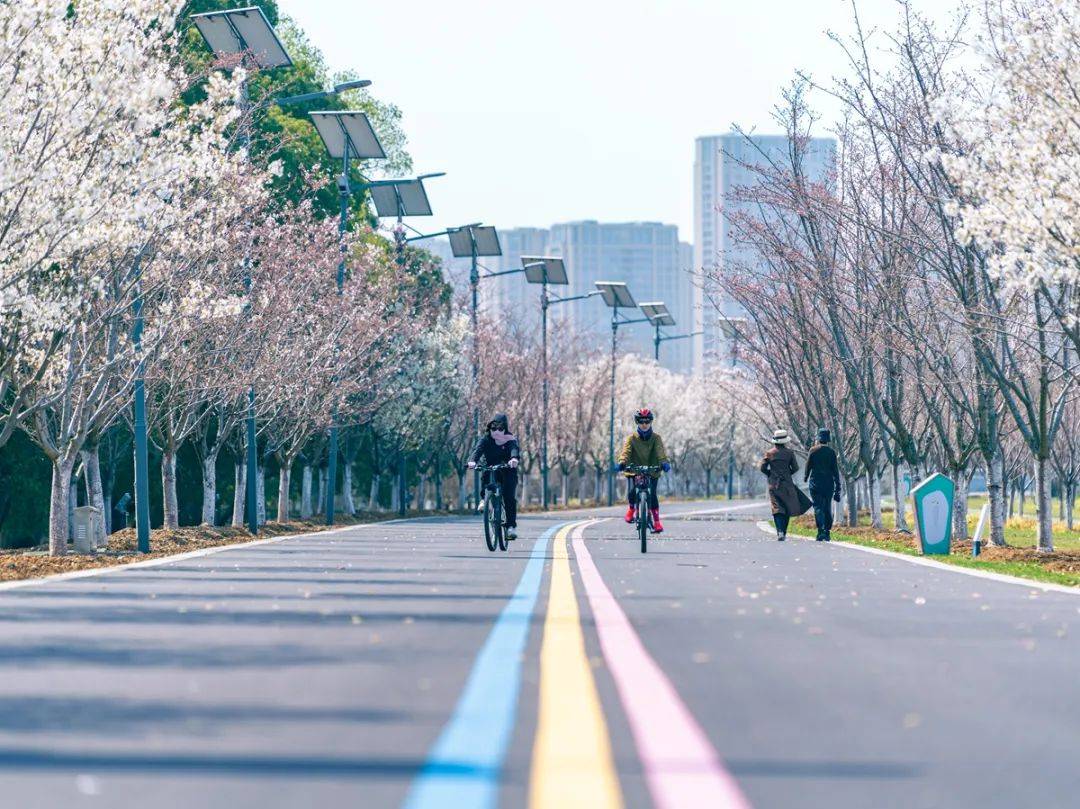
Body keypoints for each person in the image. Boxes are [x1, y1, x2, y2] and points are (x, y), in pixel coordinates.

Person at [616, 408, 671, 533]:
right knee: (631, 492)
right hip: (634, 469)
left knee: (652, 495)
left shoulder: (656, 438)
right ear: (637, 422)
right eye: (641, 421)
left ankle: (657, 522)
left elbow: (660, 451)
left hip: (652, 470)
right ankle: (631, 509)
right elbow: (626, 452)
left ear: (650, 422)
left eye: (647, 421)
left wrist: (664, 462)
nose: (644, 424)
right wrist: (622, 462)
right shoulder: (631, 438)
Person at [467, 414, 520, 539]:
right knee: (486, 472)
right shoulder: (485, 439)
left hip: (508, 469)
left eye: (500, 428)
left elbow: (514, 449)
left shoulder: (510, 439)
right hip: (491, 467)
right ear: (489, 428)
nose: (497, 431)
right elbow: (477, 450)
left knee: (509, 498)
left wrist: (513, 458)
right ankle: (484, 499)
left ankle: (510, 528)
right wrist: (472, 461)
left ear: (505, 428)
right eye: (494, 428)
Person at [759, 428, 811, 541]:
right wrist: (787, 474)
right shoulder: (789, 453)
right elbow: (795, 468)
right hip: (787, 485)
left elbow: (762, 468)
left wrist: (770, 474)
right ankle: (784, 532)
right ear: (785, 441)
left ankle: (780, 531)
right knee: (787, 508)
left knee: (776, 508)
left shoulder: (769, 453)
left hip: (774, 485)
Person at [804, 428, 842, 541]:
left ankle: (820, 531)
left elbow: (808, 466)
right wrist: (838, 486)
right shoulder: (831, 452)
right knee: (827, 507)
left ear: (818, 438)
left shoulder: (813, 450)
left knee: (818, 506)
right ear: (828, 439)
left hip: (815, 483)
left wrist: (806, 477)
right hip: (828, 484)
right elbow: (835, 471)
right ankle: (827, 532)